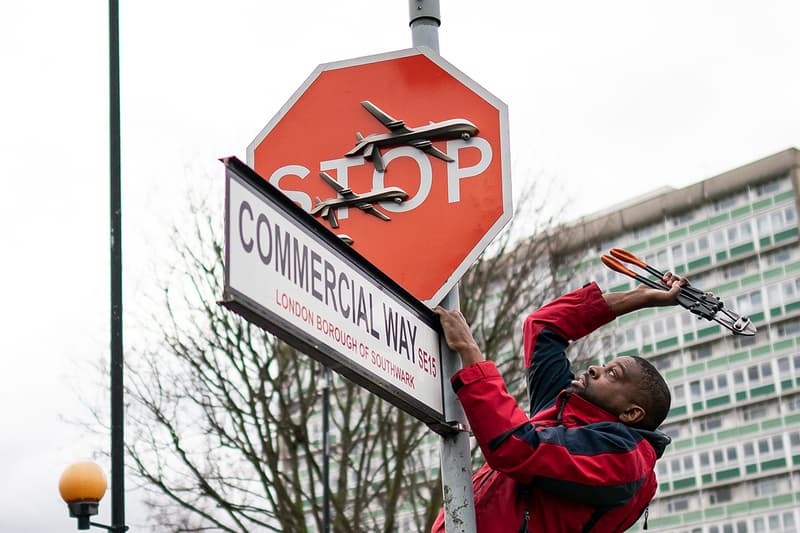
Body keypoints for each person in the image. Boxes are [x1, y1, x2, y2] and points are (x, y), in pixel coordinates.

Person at [431, 274, 686, 532]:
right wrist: (637, 298)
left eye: (612, 374)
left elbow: (516, 447)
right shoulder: (565, 408)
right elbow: (543, 328)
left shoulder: (624, 460)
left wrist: (470, 352)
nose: (596, 368)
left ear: (631, 413)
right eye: (606, 365)